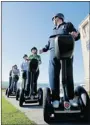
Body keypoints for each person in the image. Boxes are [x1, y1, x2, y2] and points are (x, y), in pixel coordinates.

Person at [39, 13, 80, 108]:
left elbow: (76, 34)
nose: (53, 20)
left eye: (53, 18)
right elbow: (48, 44)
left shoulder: (68, 25)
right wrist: (43, 49)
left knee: (68, 74)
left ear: (58, 18)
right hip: (54, 52)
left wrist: (76, 35)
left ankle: (70, 98)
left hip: (66, 50)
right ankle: (55, 99)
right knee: (53, 74)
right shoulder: (53, 31)